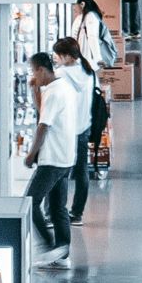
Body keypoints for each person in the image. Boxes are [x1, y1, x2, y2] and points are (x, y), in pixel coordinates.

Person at [23, 52, 79, 270]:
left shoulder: (55, 93)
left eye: (33, 71)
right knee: (58, 207)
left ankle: (48, 248)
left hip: (53, 159)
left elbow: (43, 125)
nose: (33, 76)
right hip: (66, 157)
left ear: (41, 70)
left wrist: (30, 154)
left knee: (30, 201)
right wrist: (35, 90)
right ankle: (62, 254)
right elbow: (44, 113)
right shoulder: (63, 88)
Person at [52, 38, 97, 227]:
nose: (55, 57)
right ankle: (77, 213)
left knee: (59, 171)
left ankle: (54, 212)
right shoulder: (88, 71)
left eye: (58, 54)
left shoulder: (60, 74)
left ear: (67, 56)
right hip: (84, 126)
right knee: (81, 172)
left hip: (65, 129)